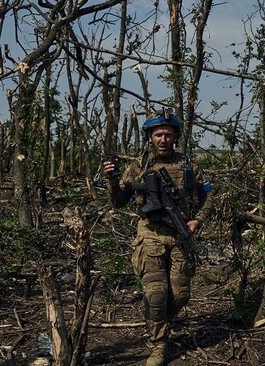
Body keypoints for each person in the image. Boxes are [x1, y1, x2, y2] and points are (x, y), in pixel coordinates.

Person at [104, 109, 212, 366]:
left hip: (180, 236)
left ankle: (159, 322)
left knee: (181, 294)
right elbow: (119, 201)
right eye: (157, 134)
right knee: (156, 295)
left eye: (167, 134)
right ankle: (158, 346)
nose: (163, 139)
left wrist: (198, 219)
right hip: (150, 235)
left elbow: (209, 195)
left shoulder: (188, 166)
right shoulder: (139, 167)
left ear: (175, 136)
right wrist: (112, 179)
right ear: (150, 137)